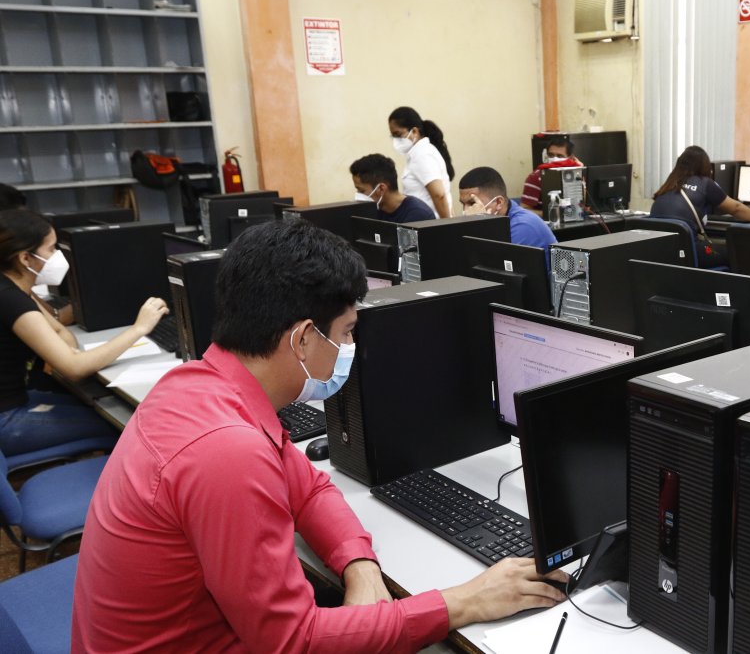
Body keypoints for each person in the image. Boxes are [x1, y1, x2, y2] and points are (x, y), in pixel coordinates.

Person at [72, 219, 569, 651]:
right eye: (348, 332)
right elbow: (293, 642)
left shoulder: (202, 385)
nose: (350, 346)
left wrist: (359, 564)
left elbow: (309, 487)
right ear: (304, 338)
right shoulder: (226, 449)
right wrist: (465, 601)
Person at [0, 209, 167, 461]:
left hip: (15, 403)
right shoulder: (11, 299)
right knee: (119, 425)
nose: (57, 256)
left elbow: (57, 329)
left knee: (100, 409)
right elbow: (74, 368)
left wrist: (68, 352)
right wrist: (139, 328)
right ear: (25, 258)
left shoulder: (13, 287)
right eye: (51, 249)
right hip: (8, 420)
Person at [649, 146, 750, 268]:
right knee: (737, 253)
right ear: (704, 166)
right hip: (689, 252)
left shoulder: (669, 183)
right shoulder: (704, 183)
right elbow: (736, 208)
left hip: (661, 253)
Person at [460, 167, 558, 259]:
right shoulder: (498, 221)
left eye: (473, 203)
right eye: (463, 204)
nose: (466, 211)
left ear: (498, 202)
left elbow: (494, 262)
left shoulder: (523, 225)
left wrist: (478, 225)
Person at [388, 106, 454, 219]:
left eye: (398, 135)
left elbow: (439, 195)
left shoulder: (422, 154)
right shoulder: (416, 154)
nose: (396, 140)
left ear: (414, 131)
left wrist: (446, 227)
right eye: (393, 136)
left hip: (432, 224)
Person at [349, 153, 436, 224]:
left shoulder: (418, 215)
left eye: (361, 190)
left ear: (381, 189)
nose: (358, 195)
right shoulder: (372, 210)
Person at [520, 135, 585, 213]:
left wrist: (581, 171)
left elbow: (585, 203)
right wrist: (550, 216)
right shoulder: (535, 177)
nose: (554, 159)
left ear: (571, 158)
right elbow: (525, 210)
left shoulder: (578, 174)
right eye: (551, 155)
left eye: (559, 156)